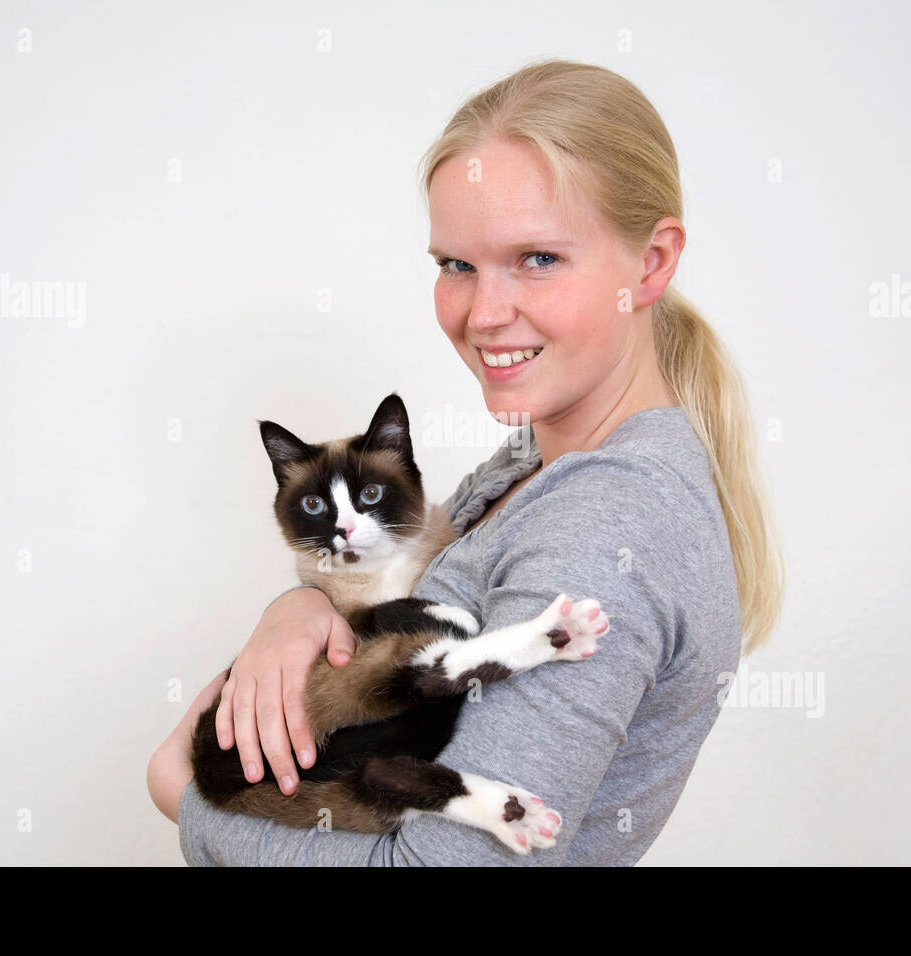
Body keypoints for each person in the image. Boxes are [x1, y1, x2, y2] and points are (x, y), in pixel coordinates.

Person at [147, 57, 784, 865]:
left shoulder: (611, 517)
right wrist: (304, 611)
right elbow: (406, 638)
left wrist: (181, 794)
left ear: (650, 264)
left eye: (539, 259)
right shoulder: (529, 458)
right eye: (456, 264)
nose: (483, 314)